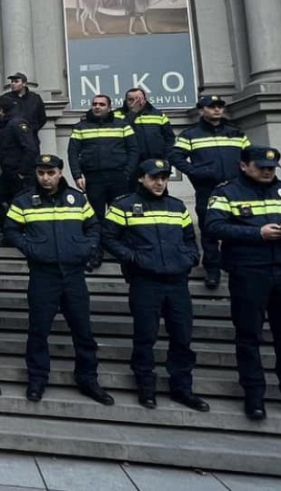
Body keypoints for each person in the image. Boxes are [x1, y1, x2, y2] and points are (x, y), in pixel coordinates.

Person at [205, 146, 281, 425]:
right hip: (249, 274)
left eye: (271, 167)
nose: (268, 171)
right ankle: (254, 395)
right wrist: (256, 233)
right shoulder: (226, 192)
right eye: (261, 166)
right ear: (244, 166)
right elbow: (214, 227)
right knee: (249, 337)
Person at [4, 155, 111, 405]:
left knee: (83, 331)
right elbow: (11, 230)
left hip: (73, 275)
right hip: (43, 275)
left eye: (50, 173)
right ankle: (37, 379)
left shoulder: (77, 198)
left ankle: (88, 379)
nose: (46, 178)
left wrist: (86, 247)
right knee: (38, 331)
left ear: (60, 173)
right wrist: (30, 248)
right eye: (41, 173)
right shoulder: (24, 201)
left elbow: (93, 226)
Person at [102, 158, 207, 411]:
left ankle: (182, 388)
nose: (160, 182)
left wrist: (189, 259)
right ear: (141, 178)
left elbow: (190, 240)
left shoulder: (177, 206)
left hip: (177, 282)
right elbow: (107, 236)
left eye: (163, 177)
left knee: (182, 338)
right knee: (145, 337)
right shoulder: (124, 205)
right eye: (154, 177)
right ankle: (146, 387)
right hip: (145, 282)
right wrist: (133, 258)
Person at [170, 94, 250, 290]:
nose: (217, 109)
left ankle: (237, 266)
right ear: (201, 110)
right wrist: (195, 172)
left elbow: (250, 158)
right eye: (212, 106)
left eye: (220, 106)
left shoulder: (236, 133)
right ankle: (212, 270)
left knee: (239, 228)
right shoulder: (190, 135)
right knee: (209, 231)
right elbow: (175, 156)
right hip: (208, 190)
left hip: (235, 190)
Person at [67, 93, 138, 238]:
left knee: (120, 213)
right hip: (93, 178)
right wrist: (77, 175)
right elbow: (72, 153)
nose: (97, 107)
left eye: (101, 104)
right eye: (95, 104)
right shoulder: (81, 127)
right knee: (95, 216)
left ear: (109, 107)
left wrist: (127, 172)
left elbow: (134, 150)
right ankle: (97, 248)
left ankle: (119, 245)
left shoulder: (122, 125)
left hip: (118, 177)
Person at [0, 95, 41, 229]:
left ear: (1, 110)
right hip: (9, 173)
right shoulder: (6, 124)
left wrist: (22, 172)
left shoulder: (17, 124)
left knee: (21, 205)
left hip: (19, 174)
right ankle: (8, 230)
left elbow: (31, 149)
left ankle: (22, 232)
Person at [116, 88, 174, 170]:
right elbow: (117, 134)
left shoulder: (158, 114)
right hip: (130, 164)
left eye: (139, 99)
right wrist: (133, 113)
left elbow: (170, 139)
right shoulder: (117, 115)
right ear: (126, 101)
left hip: (156, 162)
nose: (135, 102)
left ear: (145, 100)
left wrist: (167, 159)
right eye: (131, 100)